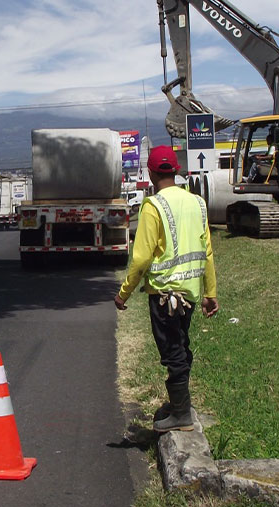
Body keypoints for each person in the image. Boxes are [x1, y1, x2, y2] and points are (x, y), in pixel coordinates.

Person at [113, 146, 219, 433]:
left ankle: (181, 414)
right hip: (190, 293)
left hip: (164, 296)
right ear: (176, 170)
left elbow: (141, 258)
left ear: (150, 173)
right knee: (180, 346)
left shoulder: (153, 206)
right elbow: (207, 252)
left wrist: (123, 293)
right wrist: (210, 293)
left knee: (173, 352)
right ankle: (179, 405)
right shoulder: (198, 203)